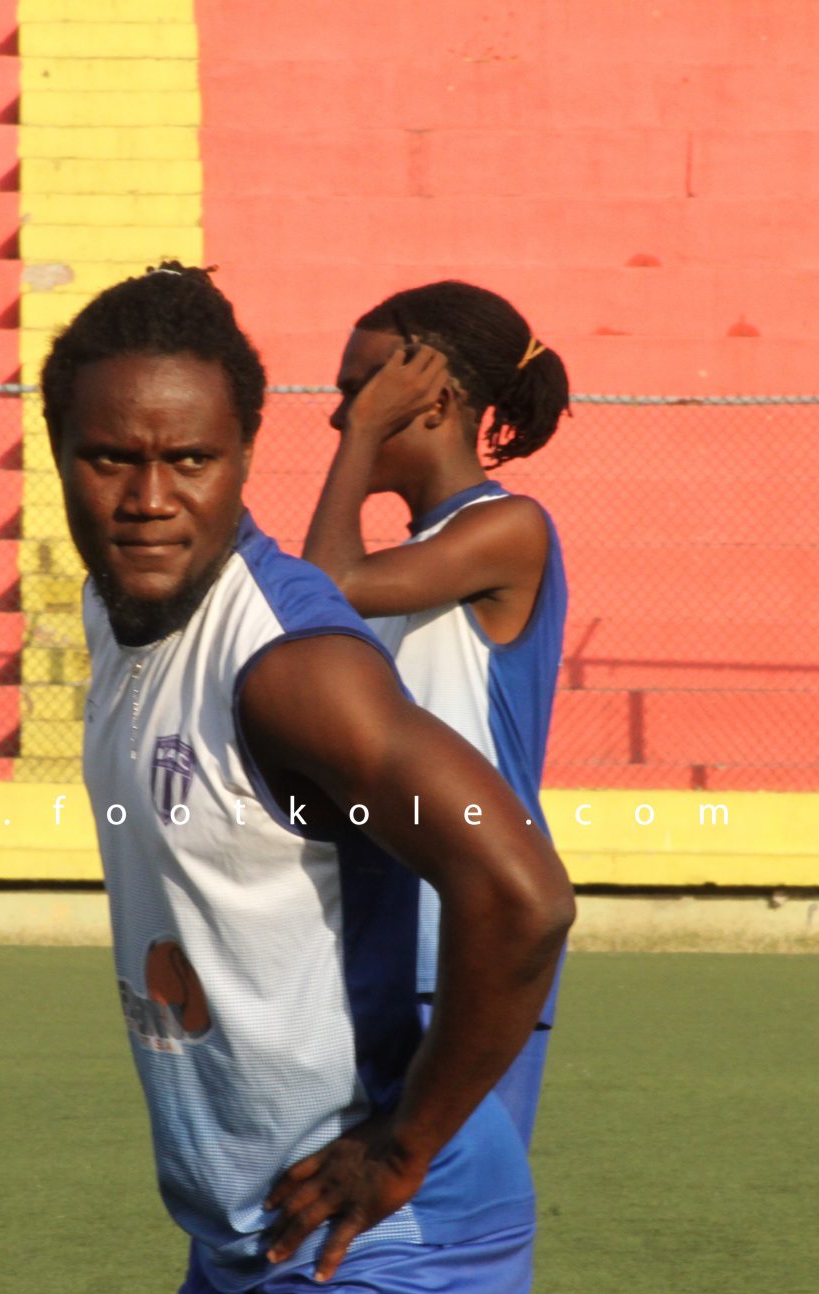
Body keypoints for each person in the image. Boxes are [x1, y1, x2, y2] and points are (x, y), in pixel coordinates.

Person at [42, 261, 574, 1294]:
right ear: (59, 456)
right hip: (245, 1246)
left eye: (188, 460)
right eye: (110, 459)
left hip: (372, 1252)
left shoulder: (292, 669)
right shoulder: (115, 606)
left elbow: (519, 894)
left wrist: (398, 1150)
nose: (148, 498)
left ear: (241, 454)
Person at [301, 282, 572, 1152]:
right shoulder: (409, 563)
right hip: (381, 944)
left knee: (451, 1225)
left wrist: (365, 430)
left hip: (468, 948)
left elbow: (323, 589)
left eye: (362, 389)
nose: (341, 416)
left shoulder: (508, 529)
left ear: (436, 398)